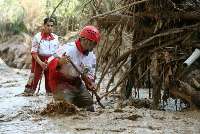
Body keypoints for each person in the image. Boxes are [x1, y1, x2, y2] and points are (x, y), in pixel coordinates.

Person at [47, 25, 100, 111]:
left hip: (75, 82)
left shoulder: (92, 57)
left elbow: (89, 74)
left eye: (95, 44)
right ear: (85, 40)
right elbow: (49, 61)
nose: (94, 46)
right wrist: (60, 62)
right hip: (60, 82)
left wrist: (90, 83)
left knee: (89, 107)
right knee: (65, 109)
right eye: (93, 43)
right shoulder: (68, 48)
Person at [24, 17, 60, 96]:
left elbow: (57, 53)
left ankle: (48, 95)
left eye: (51, 26)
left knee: (50, 84)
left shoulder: (56, 38)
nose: (50, 28)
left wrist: (51, 62)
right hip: (38, 60)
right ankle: (28, 94)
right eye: (48, 25)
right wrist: (41, 63)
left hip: (50, 60)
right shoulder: (37, 37)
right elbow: (33, 52)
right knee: (33, 80)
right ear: (43, 26)